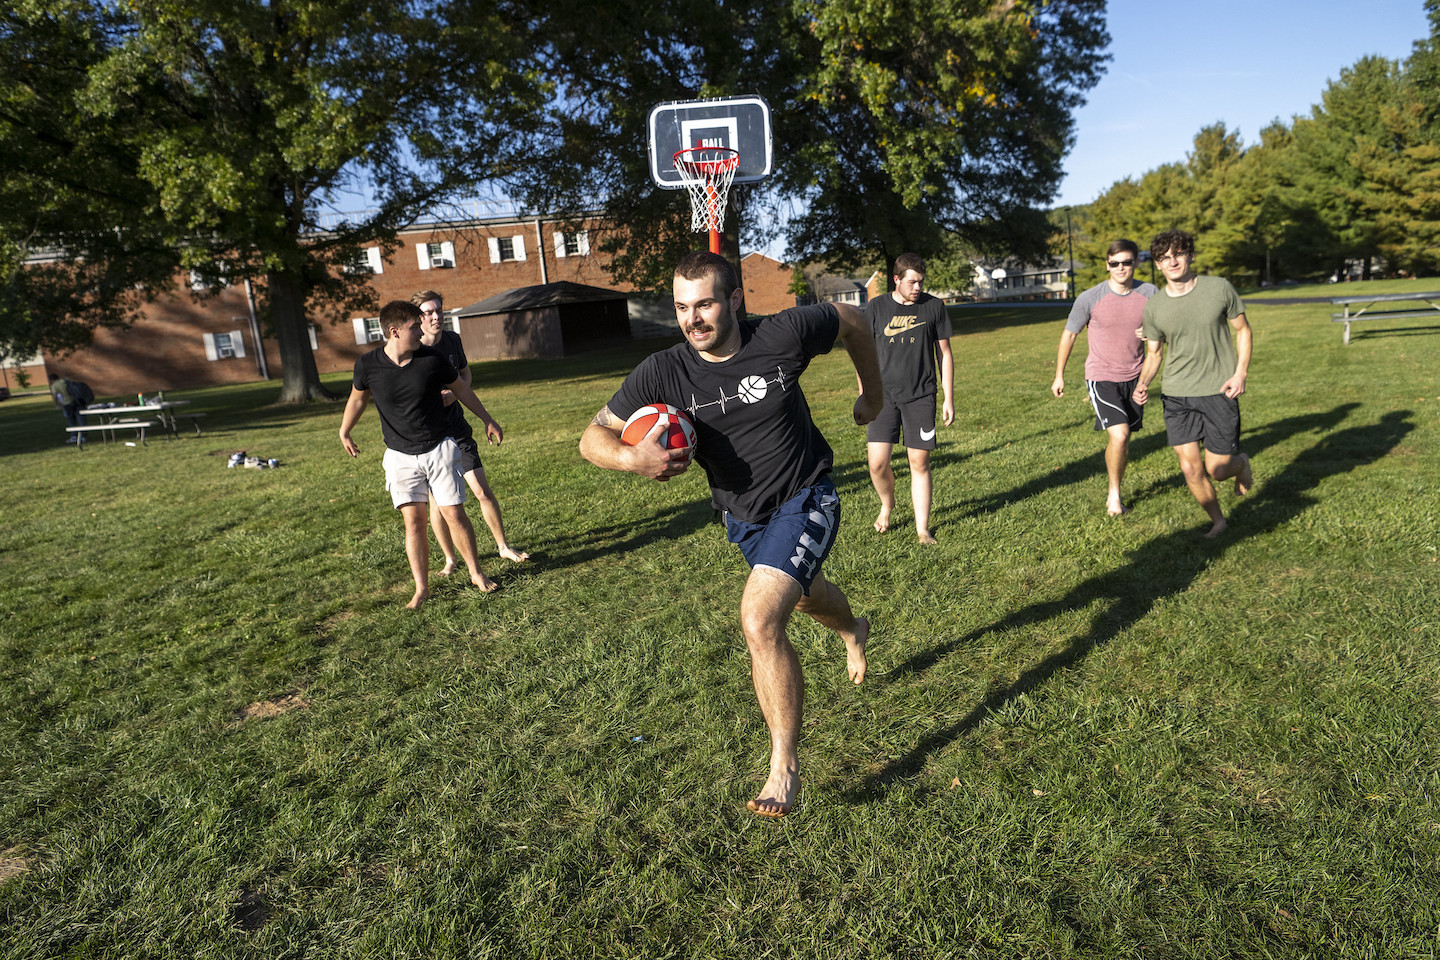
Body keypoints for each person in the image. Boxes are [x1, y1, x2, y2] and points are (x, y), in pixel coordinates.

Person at [579, 251, 884, 818]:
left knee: (760, 620)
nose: (692, 319)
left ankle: (783, 771)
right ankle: (852, 627)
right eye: (681, 307)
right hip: (743, 517)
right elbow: (592, 435)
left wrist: (875, 395)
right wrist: (629, 459)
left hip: (806, 494)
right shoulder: (664, 370)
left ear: (736, 299)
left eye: (705, 304)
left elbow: (853, 320)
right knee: (810, 595)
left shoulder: (784, 333)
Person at [339, 300, 501, 608]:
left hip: (439, 448)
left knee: (454, 513)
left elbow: (463, 390)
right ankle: (421, 588)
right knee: (413, 523)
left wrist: (487, 419)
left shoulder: (432, 359)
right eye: (415, 326)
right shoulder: (368, 365)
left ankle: (476, 573)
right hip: (399, 455)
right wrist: (344, 431)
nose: (421, 330)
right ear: (394, 331)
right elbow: (357, 400)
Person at [1134, 229, 1254, 538]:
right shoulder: (1155, 306)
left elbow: (1243, 331)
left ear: (1190, 255)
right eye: (1163, 258)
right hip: (1176, 395)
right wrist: (1144, 381)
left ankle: (1240, 464)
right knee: (1190, 468)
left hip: (1218, 391)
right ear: (1158, 265)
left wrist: (1240, 373)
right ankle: (1218, 521)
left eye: (1177, 254)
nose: (1171, 261)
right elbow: (1155, 352)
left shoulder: (1219, 289)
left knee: (1217, 469)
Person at [411, 290, 530, 568]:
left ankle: (503, 546)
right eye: (429, 312)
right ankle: (450, 559)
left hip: (457, 429)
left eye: (439, 310)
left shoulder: (452, 340)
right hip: (429, 439)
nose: (436, 316)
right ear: (418, 317)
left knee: (482, 490)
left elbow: (465, 373)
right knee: (439, 504)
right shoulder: (413, 353)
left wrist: (457, 392)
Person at [1051, 239, 1158, 516]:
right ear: (1107, 265)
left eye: (1126, 262)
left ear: (1135, 262)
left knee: (1124, 438)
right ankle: (1114, 495)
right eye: (1114, 263)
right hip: (1101, 375)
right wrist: (1059, 375)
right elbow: (1070, 335)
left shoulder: (1150, 293)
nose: (1120, 268)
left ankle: (1116, 489)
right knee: (1120, 435)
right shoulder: (1090, 297)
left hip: (1136, 375)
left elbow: (1167, 331)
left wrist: (1154, 332)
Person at [864, 253, 954, 543]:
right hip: (883, 397)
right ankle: (887, 504)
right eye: (912, 282)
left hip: (921, 395)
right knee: (877, 463)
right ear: (896, 279)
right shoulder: (876, 308)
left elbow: (945, 353)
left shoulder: (934, 307)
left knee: (919, 461)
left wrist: (948, 398)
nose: (917, 287)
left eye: (921, 282)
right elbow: (862, 355)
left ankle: (922, 529)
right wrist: (864, 395)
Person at [48, 373, 87, 441]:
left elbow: (55, 396)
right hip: (77, 401)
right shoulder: (66, 380)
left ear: (51, 380)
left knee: (71, 420)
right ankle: (83, 436)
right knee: (81, 419)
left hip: (67, 404)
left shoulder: (54, 386)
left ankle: (74, 436)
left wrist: (56, 404)